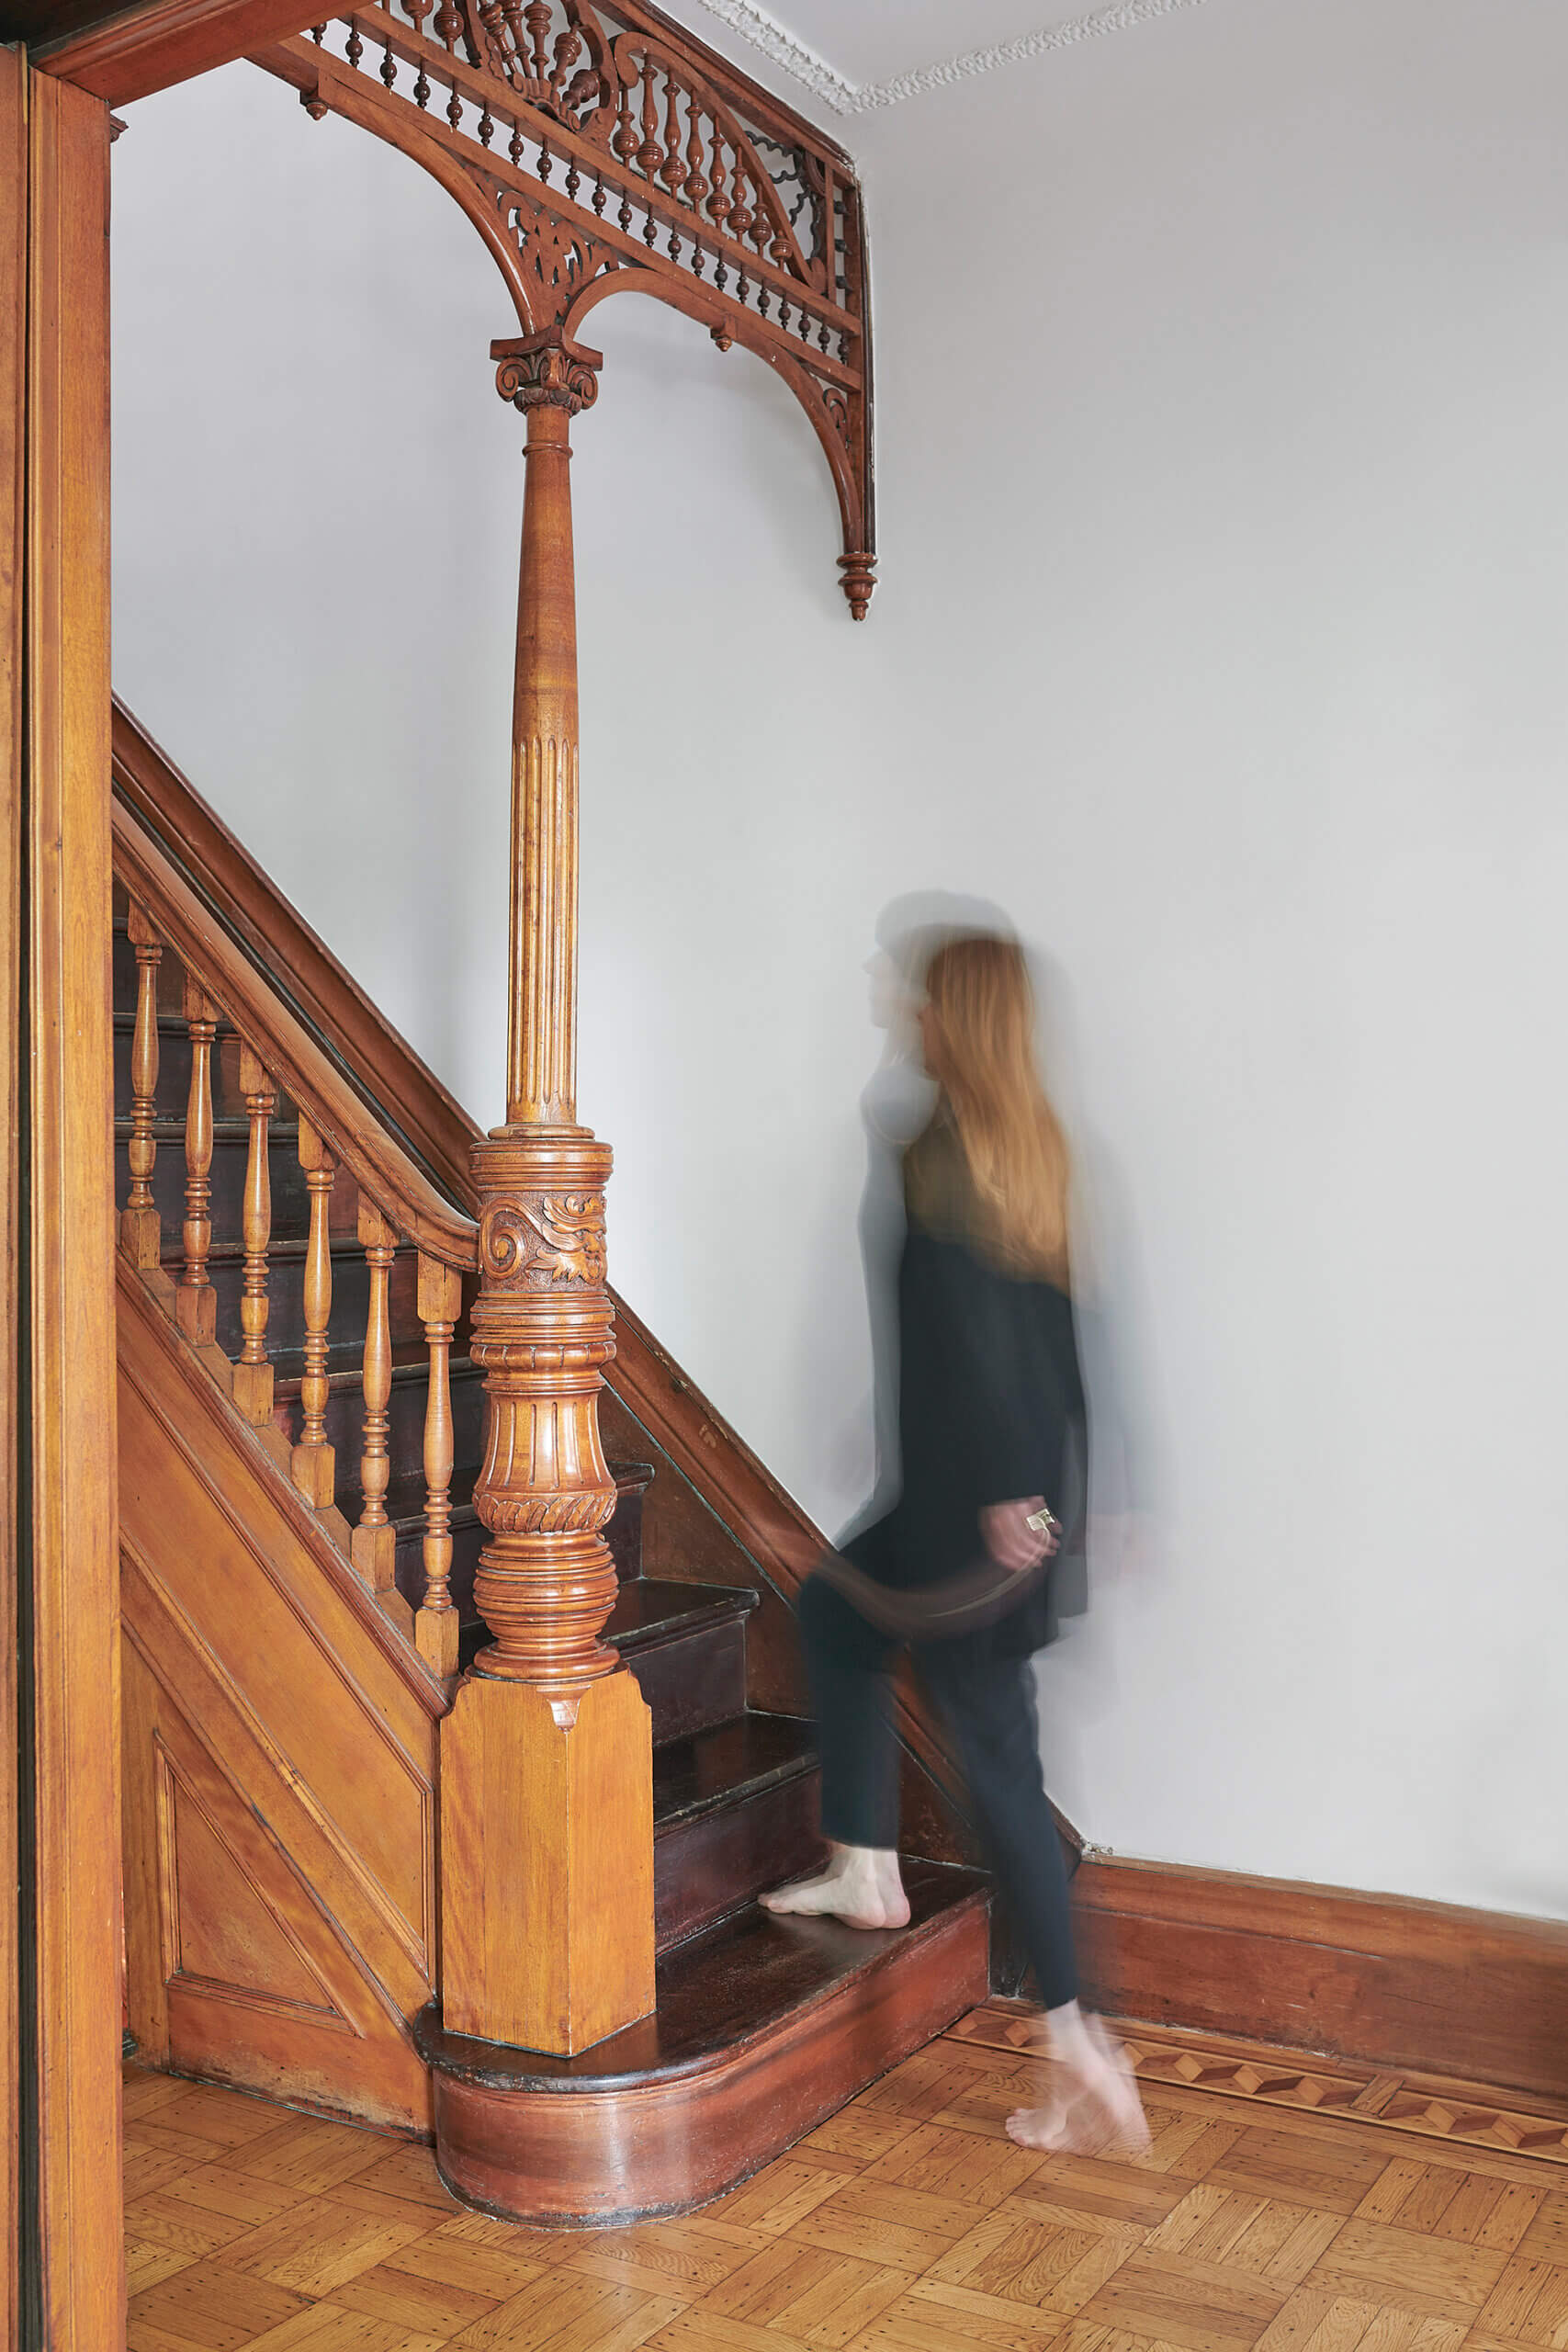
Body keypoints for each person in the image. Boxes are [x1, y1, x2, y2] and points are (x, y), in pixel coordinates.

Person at [761, 931, 1148, 2156]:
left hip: (966, 1511)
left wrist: (995, 1493)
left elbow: (976, 1334)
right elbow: (1069, 1350)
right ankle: (875, 1870)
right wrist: (1090, 1496)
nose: (896, 1001)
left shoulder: (930, 1145)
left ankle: (1079, 2034)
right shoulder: (1038, 1153)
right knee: (849, 1629)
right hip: (1011, 1506)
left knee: (993, 1766)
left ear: (951, 1014)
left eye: (912, 987)